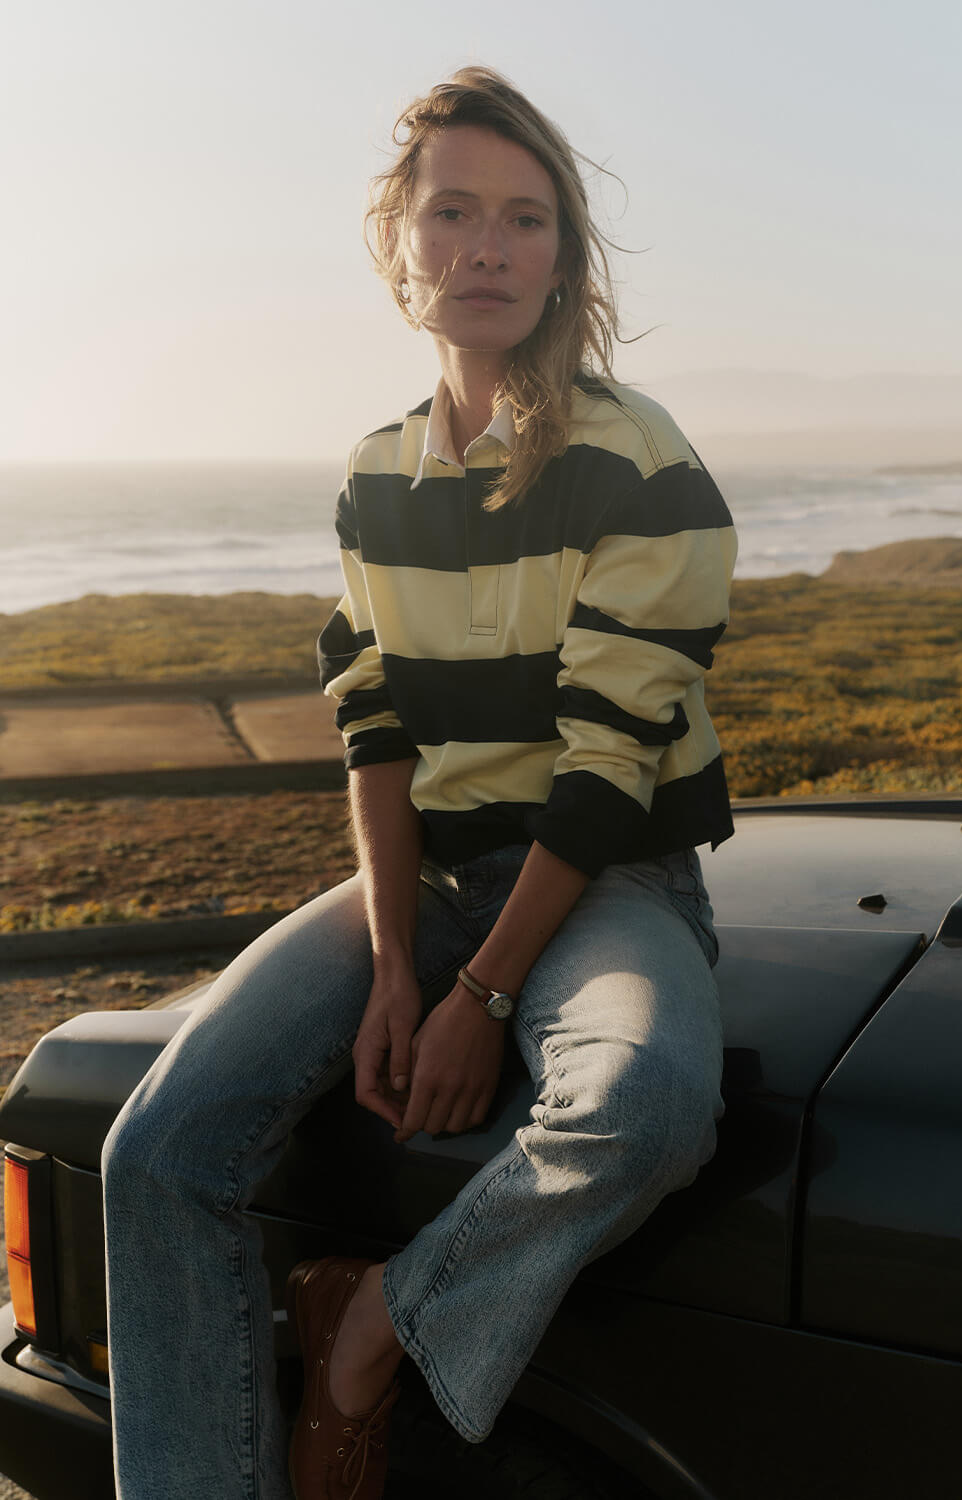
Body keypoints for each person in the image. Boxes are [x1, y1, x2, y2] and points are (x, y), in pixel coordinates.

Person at [100, 66, 737, 1500]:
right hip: (433, 880)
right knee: (159, 1149)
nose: (489, 246)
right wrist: (396, 965)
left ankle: (376, 1324)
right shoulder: (372, 474)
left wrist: (485, 995)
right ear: (406, 247)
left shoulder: (646, 460)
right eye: (454, 212)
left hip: (609, 878)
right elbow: (375, 736)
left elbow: (606, 770)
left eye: (524, 219)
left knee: (646, 1108)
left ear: (562, 257)